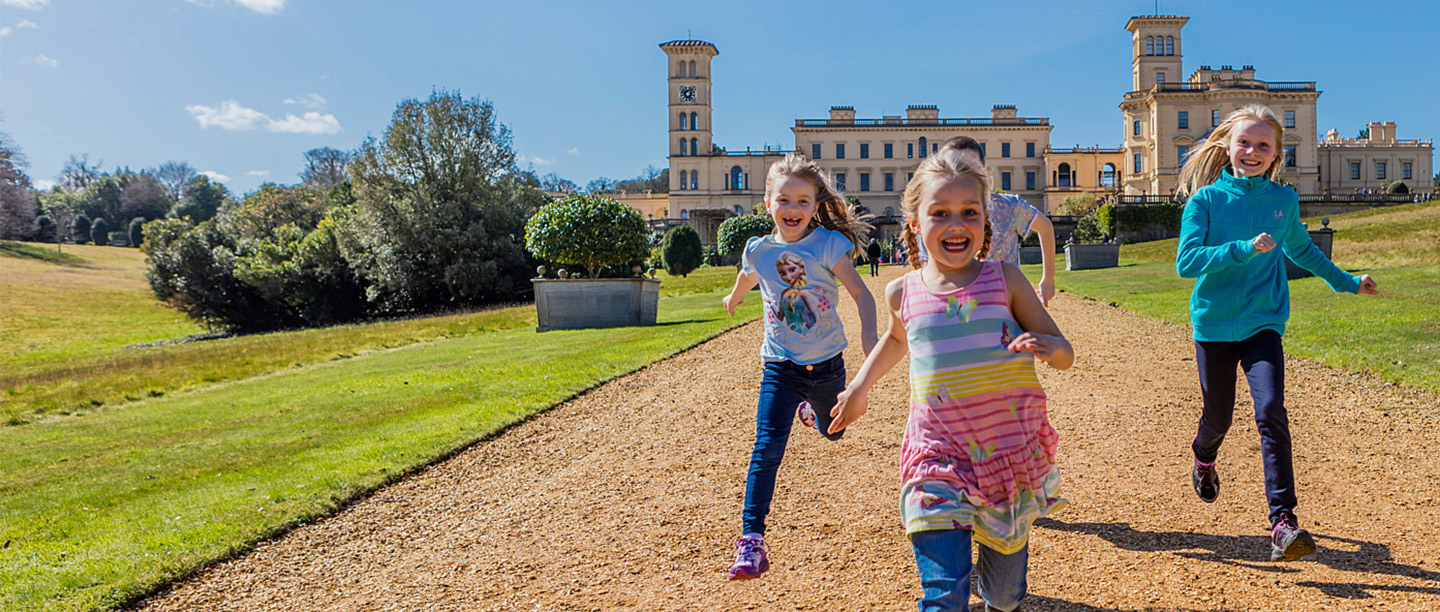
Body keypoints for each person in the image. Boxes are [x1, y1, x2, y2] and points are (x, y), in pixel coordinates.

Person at [828, 153, 1072, 611]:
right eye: (939, 213)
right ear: (915, 224)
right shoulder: (903, 291)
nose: (955, 223)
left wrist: (1045, 344)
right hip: (935, 459)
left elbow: (1065, 353)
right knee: (944, 596)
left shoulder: (1007, 281)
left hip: (1003, 457)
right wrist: (859, 388)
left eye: (969, 212)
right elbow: (897, 340)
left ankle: (996, 582)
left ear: (985, 221)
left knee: (1001, 596)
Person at [1175, 104, 1379, 562]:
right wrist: (1243, 249)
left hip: (1263, 321)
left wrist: (1348, 281)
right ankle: (1203, 458)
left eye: (1263, 145)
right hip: (1213, 325)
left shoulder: (1282, 200)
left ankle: (1282, 523)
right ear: (1227, 145)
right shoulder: (1205, 201)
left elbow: (1304, 251)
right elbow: (1186, 262)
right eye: (1244, 142)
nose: (1252, 151)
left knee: (1270, 410)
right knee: (1218, 419)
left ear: (1275, 154)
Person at [720, 153, 878, 580]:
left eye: (803, 201)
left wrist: (868, 338)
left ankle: (812, 412)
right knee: (766, 450)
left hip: (827, 367)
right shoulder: (759, 249)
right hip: (781, 367)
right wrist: (734, 298)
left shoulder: (828, 243)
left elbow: (863, 295)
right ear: (767, 202)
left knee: (835, 432)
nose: (793, 209)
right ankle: (751, 541)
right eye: (784, 200)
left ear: (814, 205)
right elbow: (747, 276)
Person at [939, 136, 1058, 306]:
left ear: (984, 172)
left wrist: (1048, 279)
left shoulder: (1009, 206)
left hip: (1006, 305)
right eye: (951, 167)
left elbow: (1045, 227)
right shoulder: (935, 216)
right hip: (958, 307)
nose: (959, 175)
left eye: (968, 168)